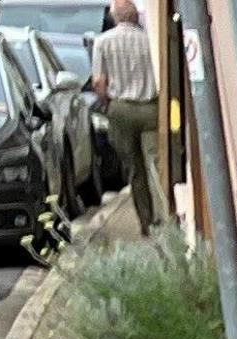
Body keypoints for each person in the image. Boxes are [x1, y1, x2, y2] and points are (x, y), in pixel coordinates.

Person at [88, 0, 156, 232]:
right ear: (136, 17)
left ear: (114, 18)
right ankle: (166, 215)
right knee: (156, 164)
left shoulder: (102, 42)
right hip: (150, 109)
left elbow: (99, 81)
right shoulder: (148, 40)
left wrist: (107, 104)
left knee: (134, 169)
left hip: (120, 110)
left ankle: (146, 221)